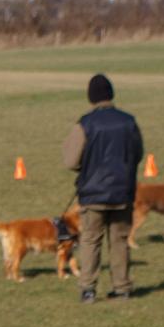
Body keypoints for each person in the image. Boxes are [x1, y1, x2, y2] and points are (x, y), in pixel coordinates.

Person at [62, 73, 143, 303]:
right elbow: (137, 154)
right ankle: (122, 288)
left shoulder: (85, 124)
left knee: (90, 240)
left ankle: (88, 288)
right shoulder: (129, 121)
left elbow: (70, 161)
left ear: (91, 97)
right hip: (123, 192)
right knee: (119, 240)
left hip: (93, 193)